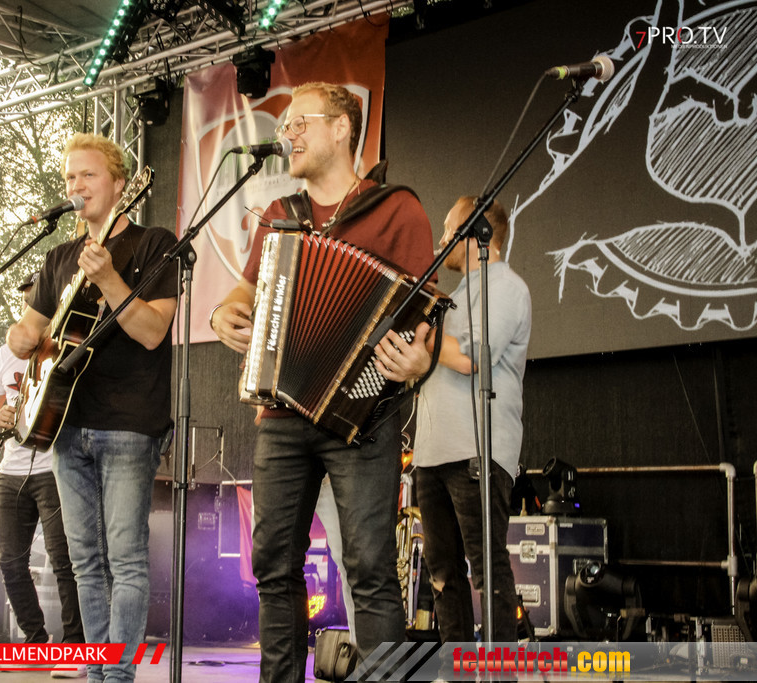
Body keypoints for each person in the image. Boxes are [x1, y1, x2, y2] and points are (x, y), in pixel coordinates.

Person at [210, 82, 437, 682]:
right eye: (285, 126)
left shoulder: (397, 210)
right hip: (282, 413)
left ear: (341, 128)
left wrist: (421, 360)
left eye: (299, 122)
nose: (288, 134)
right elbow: (246, 289)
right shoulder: (281, 216)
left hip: (363, 414)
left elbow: (426, 315)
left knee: (370, 569)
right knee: (273, 566)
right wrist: (224, 311)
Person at [7, 133, 178, 682]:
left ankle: (119, 676)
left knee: (125, 558)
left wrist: (108, 278)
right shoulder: (58, 258)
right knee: (84, 561)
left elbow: (152, 332)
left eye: (87, 175)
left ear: (120, 184)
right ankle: (96, 671)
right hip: (65, 424)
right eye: (69, 177)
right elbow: (31, 330)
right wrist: (19, 337)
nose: (76, 186)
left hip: (130, 422)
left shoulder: (154, 243)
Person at [412, 196, 531, 644]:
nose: (442, 238)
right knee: (442, 573)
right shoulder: (455, 297)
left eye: (449, 228)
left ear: (477, 231)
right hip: (432, 452)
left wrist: (420, 334)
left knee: (486, 568)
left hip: (476, 450)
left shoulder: (507, 288)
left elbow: (470, 359)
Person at [0, 272, 86, 678]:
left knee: (65, 561)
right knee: (9, 560)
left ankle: (75, 647)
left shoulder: (66, 348)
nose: (29, 310)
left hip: (54, 467)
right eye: (26, 302)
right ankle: (35, 640)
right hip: (11, 469)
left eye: (36, 302)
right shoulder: (5, 354)